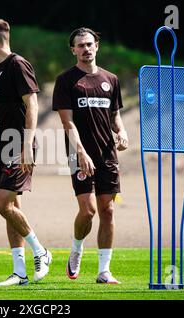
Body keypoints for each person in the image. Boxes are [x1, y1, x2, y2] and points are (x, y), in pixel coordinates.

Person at [0, 18, 52, 286]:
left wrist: (27, 145)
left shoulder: (18, 64)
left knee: (2, 204)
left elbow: (32, 104)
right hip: (2, 145)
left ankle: (40, 251)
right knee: (12, 207)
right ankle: (19, 272)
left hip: (18, 144)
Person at [52, 27, 129, 284]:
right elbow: (67, 123)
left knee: (107, 210)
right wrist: (81, 152)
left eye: (89, 44)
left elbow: (115, 115)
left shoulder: (111, 79)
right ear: (73, 50)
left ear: (97, 45)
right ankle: (76, 248)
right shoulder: (66, 81)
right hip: (79, 153)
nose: (86, 49)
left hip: (107, 153)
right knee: (88, 211)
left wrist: (122, 132)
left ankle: (104, 271)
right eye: (80, 45)